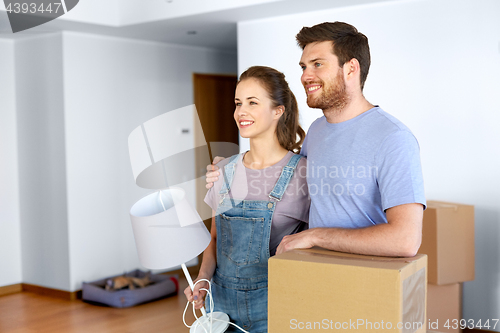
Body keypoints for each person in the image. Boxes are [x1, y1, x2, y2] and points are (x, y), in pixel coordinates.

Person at [206, 22, 426, 258]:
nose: (305, 76)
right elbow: (284, 175)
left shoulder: (393, 138)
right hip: (314, 275)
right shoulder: (318, 130)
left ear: (351, 69)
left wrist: (314, 236)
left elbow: (406, 240)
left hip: (365, 281)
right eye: (303, 66)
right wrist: (231, 169)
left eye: (317, 64)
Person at [184, 66, 310, 332]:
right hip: (221, 309)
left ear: (278, 110)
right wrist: (202, 279)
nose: (241, 112)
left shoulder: (303, 173)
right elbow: (215, 239)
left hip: (276, 308)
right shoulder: (223, 169)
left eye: (253, 102)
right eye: (238, 103)